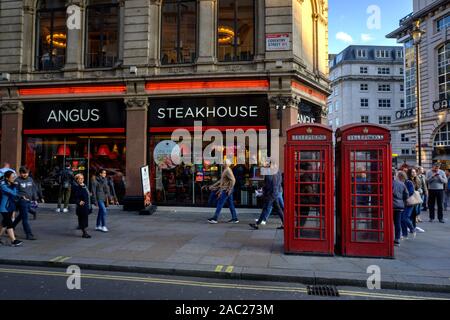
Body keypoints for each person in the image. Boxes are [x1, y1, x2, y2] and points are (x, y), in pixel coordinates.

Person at [249, 162, 284, 230]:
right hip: (275, 194)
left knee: (266, 209)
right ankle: (285, 223)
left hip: (271, 195)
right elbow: (278, 183)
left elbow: (271, 185)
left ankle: (257, 224)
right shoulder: (278, 172)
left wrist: (264, 192)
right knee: (278, 209)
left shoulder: (270, 174)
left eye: (269, 165)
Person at [207, 159, 238, 224]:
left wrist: (230, 189)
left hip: (226, 190)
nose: (222, 163)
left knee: (220, 203)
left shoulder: (228, 170)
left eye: (224, 162)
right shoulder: (226, 170)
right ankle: (235, 218)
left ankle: (215, 218)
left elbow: (233, 180)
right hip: (227, 189)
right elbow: (221, 181)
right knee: (230, 204)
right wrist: (213, 185)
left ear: (226, 164)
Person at [12, 166, 38, 240]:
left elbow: (33, 189)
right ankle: (29, 234)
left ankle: (11, 227)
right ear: (20, 173)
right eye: (23, 173)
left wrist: (35, 198)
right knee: (25, 218)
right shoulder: (17, 180)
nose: (25, 174)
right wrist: (21, 196)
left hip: (29, 201)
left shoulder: (30, 179)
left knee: (21, 216)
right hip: (21, 202)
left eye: (26, 173)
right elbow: (14, 191)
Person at [0, 171, 23, 247]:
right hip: (4, 208)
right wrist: (14, 186)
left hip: (10, 207)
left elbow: (15, 193)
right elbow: (12, 193)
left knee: (4, 224)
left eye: (14, 177)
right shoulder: (3, 185)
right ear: (7, 178)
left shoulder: (12, 184)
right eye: (12, 177)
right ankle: (13, 240)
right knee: (9, 223)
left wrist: (14, 186)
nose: (14, 178)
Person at [73, 174, 91, 238]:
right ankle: (84, 233)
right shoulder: (76, 187)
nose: (82, 179)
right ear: (77, 180)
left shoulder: (84, 186)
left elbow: (87, 194)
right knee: (83, 219)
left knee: (85, 218)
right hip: (81, 206)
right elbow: (74, 197)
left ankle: (83, 229)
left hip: (86, 205)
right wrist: (79, 202)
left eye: (82, 178)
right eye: (80, 178)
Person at [393, 171, 409, 246]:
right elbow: (406, 195)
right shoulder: (402, 184)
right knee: (397, 223)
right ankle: (397, 239)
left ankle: (387, 238)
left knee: (389, 223)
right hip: (399, 206)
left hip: (391, 205)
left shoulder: (390, 183)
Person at [402, 170, 417, 240]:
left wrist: (403, 195)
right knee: (402, 219)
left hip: (409, 202)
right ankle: (404, 234)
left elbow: (411, 192)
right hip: (403, 203)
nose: (414, 173)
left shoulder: (409, 182)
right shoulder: (404, 182)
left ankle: (412, 229)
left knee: (405, 218)